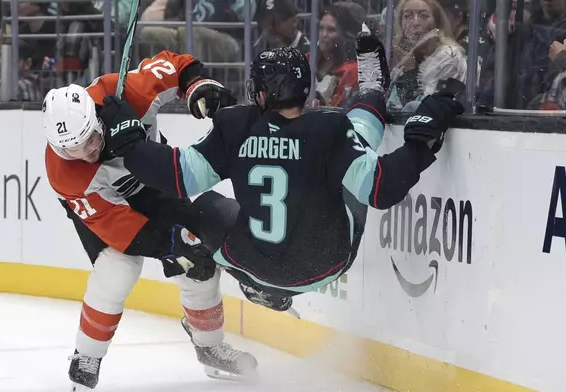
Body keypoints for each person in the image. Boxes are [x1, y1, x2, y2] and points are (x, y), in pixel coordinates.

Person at [94, 34, 465, 313]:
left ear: (258, 93)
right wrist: (421, 141)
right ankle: (372, 91)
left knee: (203, 204)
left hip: (248, 261)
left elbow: (178, 176)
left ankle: (257, 285)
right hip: (324, 265)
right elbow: (381, 189)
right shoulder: (330, 128)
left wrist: (129, 143)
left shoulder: (234, 126)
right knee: (356, 153)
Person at [41, 50, 257, 391]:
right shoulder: (64, 173)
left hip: (153, 182)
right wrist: (169, 245)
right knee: (118, 267)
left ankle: (209, 346)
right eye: (72, 150)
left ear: (96, 120)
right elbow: (120, 228)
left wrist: (197, 85)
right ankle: (88, 355)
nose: (85, 154)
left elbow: (179, 63)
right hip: (107, 208)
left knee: (197, 259)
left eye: (89, 140)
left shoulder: (127, 91)